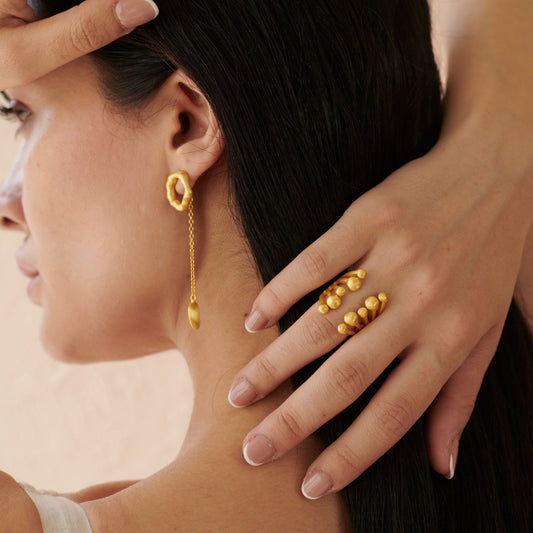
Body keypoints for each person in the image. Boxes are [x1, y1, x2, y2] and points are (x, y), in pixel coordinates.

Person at [0, 2, 531, 533]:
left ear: (189, 124)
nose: (6, 206)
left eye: (21, 112)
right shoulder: (512, 271)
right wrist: (491, 157)